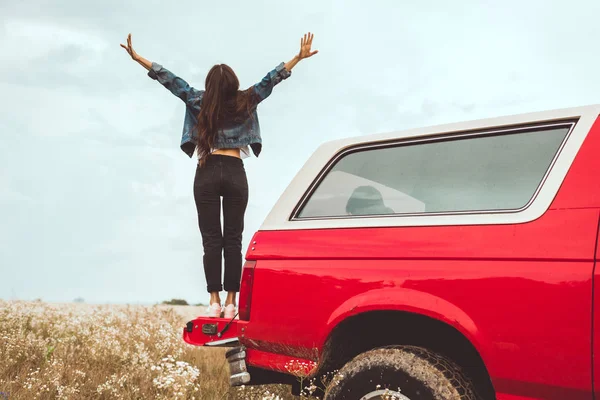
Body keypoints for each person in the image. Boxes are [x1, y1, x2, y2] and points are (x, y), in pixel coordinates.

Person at [120, 32, 318, 318]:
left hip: (207, 171)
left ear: (210, 85)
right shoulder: (245, 100)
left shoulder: (198, 101)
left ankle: (213, 301)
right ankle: (230, 302)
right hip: (235, 170)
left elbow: (171, 81)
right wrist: (298, 58)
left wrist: (140, 59)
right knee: (233, 238)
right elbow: (270, 79)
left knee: (211, 238)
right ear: (233, 83)